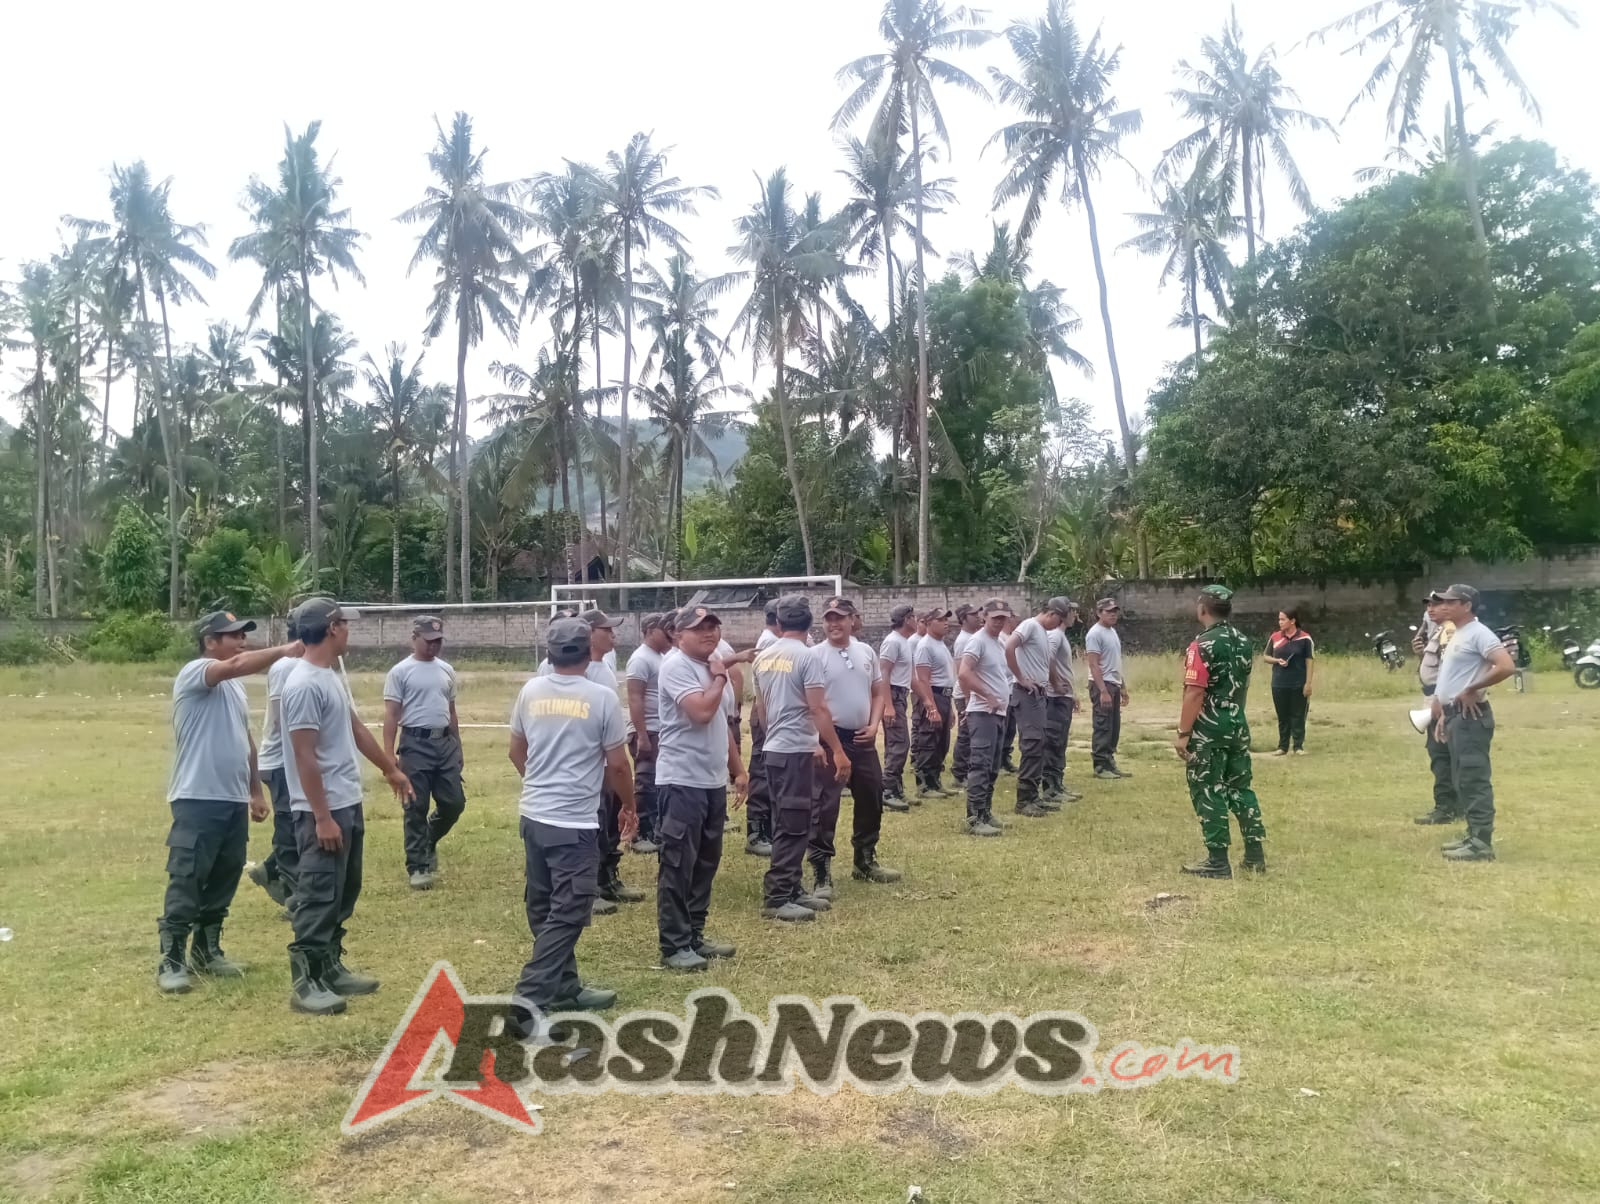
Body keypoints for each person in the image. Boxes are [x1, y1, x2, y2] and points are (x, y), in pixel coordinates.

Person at [282, 598, 414, 1015]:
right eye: (345, 624)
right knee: (318, 893)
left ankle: (329, 966)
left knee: (342, 891)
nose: (349, 631)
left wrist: (389, 769)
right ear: (332, 628)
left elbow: (354, 728)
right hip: (321, 809)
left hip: (346, 801)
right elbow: (304, 755)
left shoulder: (328, 677)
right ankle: (306, 982)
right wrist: (321, 816)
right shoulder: (303, 683)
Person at [157, 613, 301, 994]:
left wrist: (255, 790)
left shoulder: (234, 688)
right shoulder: (196, 672)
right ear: (209, 641)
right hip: (197, 797)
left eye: (242, 635)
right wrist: (285, 649)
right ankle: (171, 959)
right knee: (188, 877)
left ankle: (206, 950)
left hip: (232, 797)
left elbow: (245, 740)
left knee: (225, 874)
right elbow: (236, 665)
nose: (241, 641)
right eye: (233, 635)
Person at [505, 617, 635, 1037]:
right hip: (574, 823)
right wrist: (629, 805)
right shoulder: (600, 698)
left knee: (544, 907)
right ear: (589, 649)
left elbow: (515, 750)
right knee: (569, 911)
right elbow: (617, 764)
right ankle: (528, 1006)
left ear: (550, 653)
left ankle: (564, 986)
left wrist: (540, 785)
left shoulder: (531, 690)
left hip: (534, 817)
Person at [655, 604, 747, 970]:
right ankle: (674, 945)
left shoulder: (710, 666)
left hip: (709, 781)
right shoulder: (676, 666)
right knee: (678, 863)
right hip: (681, 780)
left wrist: (738, 769)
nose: (709, 633)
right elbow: (701, 712)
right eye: (699, 629)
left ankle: (694, 933)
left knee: (706, 860)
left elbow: (721, 724)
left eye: (713, 627)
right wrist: (721, 676)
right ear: (678, 636)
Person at [754, 594, 849, 921]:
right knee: (794, 823)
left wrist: (778, 738)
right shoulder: (808, 657)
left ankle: (792, 888)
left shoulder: (763, 657)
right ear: (809, 624)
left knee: (788, 818)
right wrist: (836, 749)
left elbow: (762, 710)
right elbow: (817, 707)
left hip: (777, 748)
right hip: (793, 750)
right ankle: (778, 895)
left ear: (779, 624)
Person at [1173, 586, 1266, 879]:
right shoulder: (1243, 641)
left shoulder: (1201, 645)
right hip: (1237, 722)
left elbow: (1194, 694)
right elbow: (1244, 686)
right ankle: (1254, 855)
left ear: (1202, 609)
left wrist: (1183, 733)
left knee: (1208, 789)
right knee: (1241, 787)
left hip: (1209, 728)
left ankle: (1217, 860)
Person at [811, 597, 901, 896]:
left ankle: (864, 859)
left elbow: (877, 692)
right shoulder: (815, 656)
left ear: (853, 620)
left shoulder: (865, 651)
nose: (834, 624)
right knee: (825, 805)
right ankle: (821, 870)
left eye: (840, 617)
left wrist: (874, 725)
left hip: (862, 738)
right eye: (828, 618)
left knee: (872, 796)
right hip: (831, 738)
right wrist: (828, 745)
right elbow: (814, 705)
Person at [1427, 584, 1515, 862]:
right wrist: (1442, 712)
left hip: (1471, 718)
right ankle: (1473, 834)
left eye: (1450, 601)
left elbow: (1506, 665)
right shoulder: (1459, 634)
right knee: (1461, 779)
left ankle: (1481, 843)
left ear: (1466, 605)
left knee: (1474, 778)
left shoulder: (1478, 633)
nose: (1443, 605)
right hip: (1455, 716)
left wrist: (1471, 689)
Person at [382, 616, 465, 891]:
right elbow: (392, 715)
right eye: (429, 641)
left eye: (438, 641)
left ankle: (428, 839)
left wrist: (458, 746)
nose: (434, 646)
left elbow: (451, 711)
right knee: (415, 806)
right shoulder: (400, 672)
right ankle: (418, 866)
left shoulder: (446, 670)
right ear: (414, 638)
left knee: (454, 803)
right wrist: (387, 757)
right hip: (415, 744)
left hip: (443, 743)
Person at [579, 609, 647, 910]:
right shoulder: (576, 670)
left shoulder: (605, 666)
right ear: (590, 633)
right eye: (607, 630)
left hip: (610, 759)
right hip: (589, 763)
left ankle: (607, 879)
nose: (613, 635)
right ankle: (589, 888)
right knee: (591, 825)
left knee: (609, 822)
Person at [246, 611, 304, 916]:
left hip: (293, 758)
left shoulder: (306, 664)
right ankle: (295, 895)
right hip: (282, 759)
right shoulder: (286, 666)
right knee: (289, 827)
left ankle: (269, 870)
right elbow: (284, 719)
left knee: (297, 824)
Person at [1006, 598, 1074, 817]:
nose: (1059, 624)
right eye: (1059, 619)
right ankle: (1024, 800)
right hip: (1026, 694)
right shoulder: (1029, 625)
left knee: (1040, 743)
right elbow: (1009, 646)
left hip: (1039, 695)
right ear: (1052, 614)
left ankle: (1033, 796)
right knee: (1032, 744)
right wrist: (1021, 677)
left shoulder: (1043, 633)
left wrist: (1054, 683)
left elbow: (1047, 662)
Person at [957, 600, 1014, 838]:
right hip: (984, 712)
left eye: (1003, 618)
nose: (999, 622)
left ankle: (985, 812)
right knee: (980, 764)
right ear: (984, 616)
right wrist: (986, 696)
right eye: (995, 618)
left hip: (997, 712)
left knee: (992, 766)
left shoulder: (997, 642)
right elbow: (963, 673)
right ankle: (973, 817)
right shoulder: (977, 641)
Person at [625, 612, 672, 855]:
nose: (670, 635)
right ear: (651, 630)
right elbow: (635, 697)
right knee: (645, 782)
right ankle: (641, 831)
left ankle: (653, 829)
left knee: (655, 783)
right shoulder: (640, 659)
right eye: (665, 631)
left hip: (659, 729)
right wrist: (641, 734)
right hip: (648, 730)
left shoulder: (660, 657)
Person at [1411, 596, 1461, 825]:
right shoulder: (1438, 631)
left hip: (1440, 699)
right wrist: (1420, 654)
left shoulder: (1449, 632)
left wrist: (1440, 703)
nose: (1429, 609)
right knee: (1444, 754)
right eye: (1428, 605)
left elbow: (1448, 670)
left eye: (1435, 604)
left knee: (1440, 754)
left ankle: (1446, 807)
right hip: (1434, 696)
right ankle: (1454, 805)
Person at [741, 602, 782, 855]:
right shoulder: (769, 643)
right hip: (765, 709)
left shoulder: (771, 640)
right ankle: (756, 833)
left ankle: (767, 829)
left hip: (768, 708)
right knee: (761, 771)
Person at [911, 607, 956, 799]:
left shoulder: (941, 644)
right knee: (928, 741)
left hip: (945, 696)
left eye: (946, 619)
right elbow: (923, 680)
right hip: (934, 695)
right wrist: (931, 706)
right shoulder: (925, 646)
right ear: (928, 623)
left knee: (941, 742)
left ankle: (935, 781)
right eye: (940, 619)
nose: (946, 622)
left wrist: (950, 708)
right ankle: (925, 785)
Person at [1085, 598, 1131, 780]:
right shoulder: (1095, 634)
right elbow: (1094, 664)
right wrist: (1102, 690)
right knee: (1103, 725)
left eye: (1115, 611)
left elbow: (1115, 663)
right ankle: (1100, 766)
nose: (1113, 614)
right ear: (1099, 613)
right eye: (1108, 611)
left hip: (1114, 683)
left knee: (1113, 727)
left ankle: (1109, 762)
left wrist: (1123, 686)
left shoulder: (1111, 632)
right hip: (1101, 684)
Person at [877, 604, 918, 807]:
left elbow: (911, 677)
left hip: (900, 694)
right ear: (907, 619)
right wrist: (888, 706)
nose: (916, 620)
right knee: (899, 743)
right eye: (914, 617)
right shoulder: (893, 642)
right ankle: (887, 791)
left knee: (897, 743)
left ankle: (896, 789)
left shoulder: (904, 642)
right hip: (892, 693)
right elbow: (883, 673)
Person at [1043, 602, 1083, 805]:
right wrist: (1056, 684)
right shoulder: (1055, 635)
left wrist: (1072, 693)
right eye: (1072, 611)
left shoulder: (1061, 635)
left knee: (1060, 742)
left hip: (1063, 697)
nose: (1075, 614)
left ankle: (1057, 783)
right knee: (1054, 741)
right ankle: (1050, 787)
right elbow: (1047, 658)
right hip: (1055, 698)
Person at [1263, 608, 1316, 756]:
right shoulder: (1275, 637)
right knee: (1283, 715)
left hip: (1298, 683)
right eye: (1279, 619)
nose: (1279, 622)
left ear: (1292, 621)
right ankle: (1282, 746)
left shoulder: (1305, 638)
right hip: (1279, 683)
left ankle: (1298, 746)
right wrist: (1276, 660)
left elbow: (1309, 661)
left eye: (1283, 619)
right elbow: (1265, 657)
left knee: (1298, 715)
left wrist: (1308, 683)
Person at [949, 605, 983, 788]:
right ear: (963, 618)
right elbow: (960, 671)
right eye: (973, 614)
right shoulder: (964, 641)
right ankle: (959, 773)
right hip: (965, 694)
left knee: (972, 733)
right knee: (966, 734)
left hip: (971, 693)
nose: (977, 617)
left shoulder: (973, 638)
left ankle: (966, 770)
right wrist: (969, 697)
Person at [998, 613, 1021, 774]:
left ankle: (1006, 758)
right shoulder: (1000, 639)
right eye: (1015, 617)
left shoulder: (1011, 637)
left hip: (1012, 688)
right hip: (1003, 687)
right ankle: (998, 760)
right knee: (1003, 727)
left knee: (1011, 727)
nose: (1017, 621)